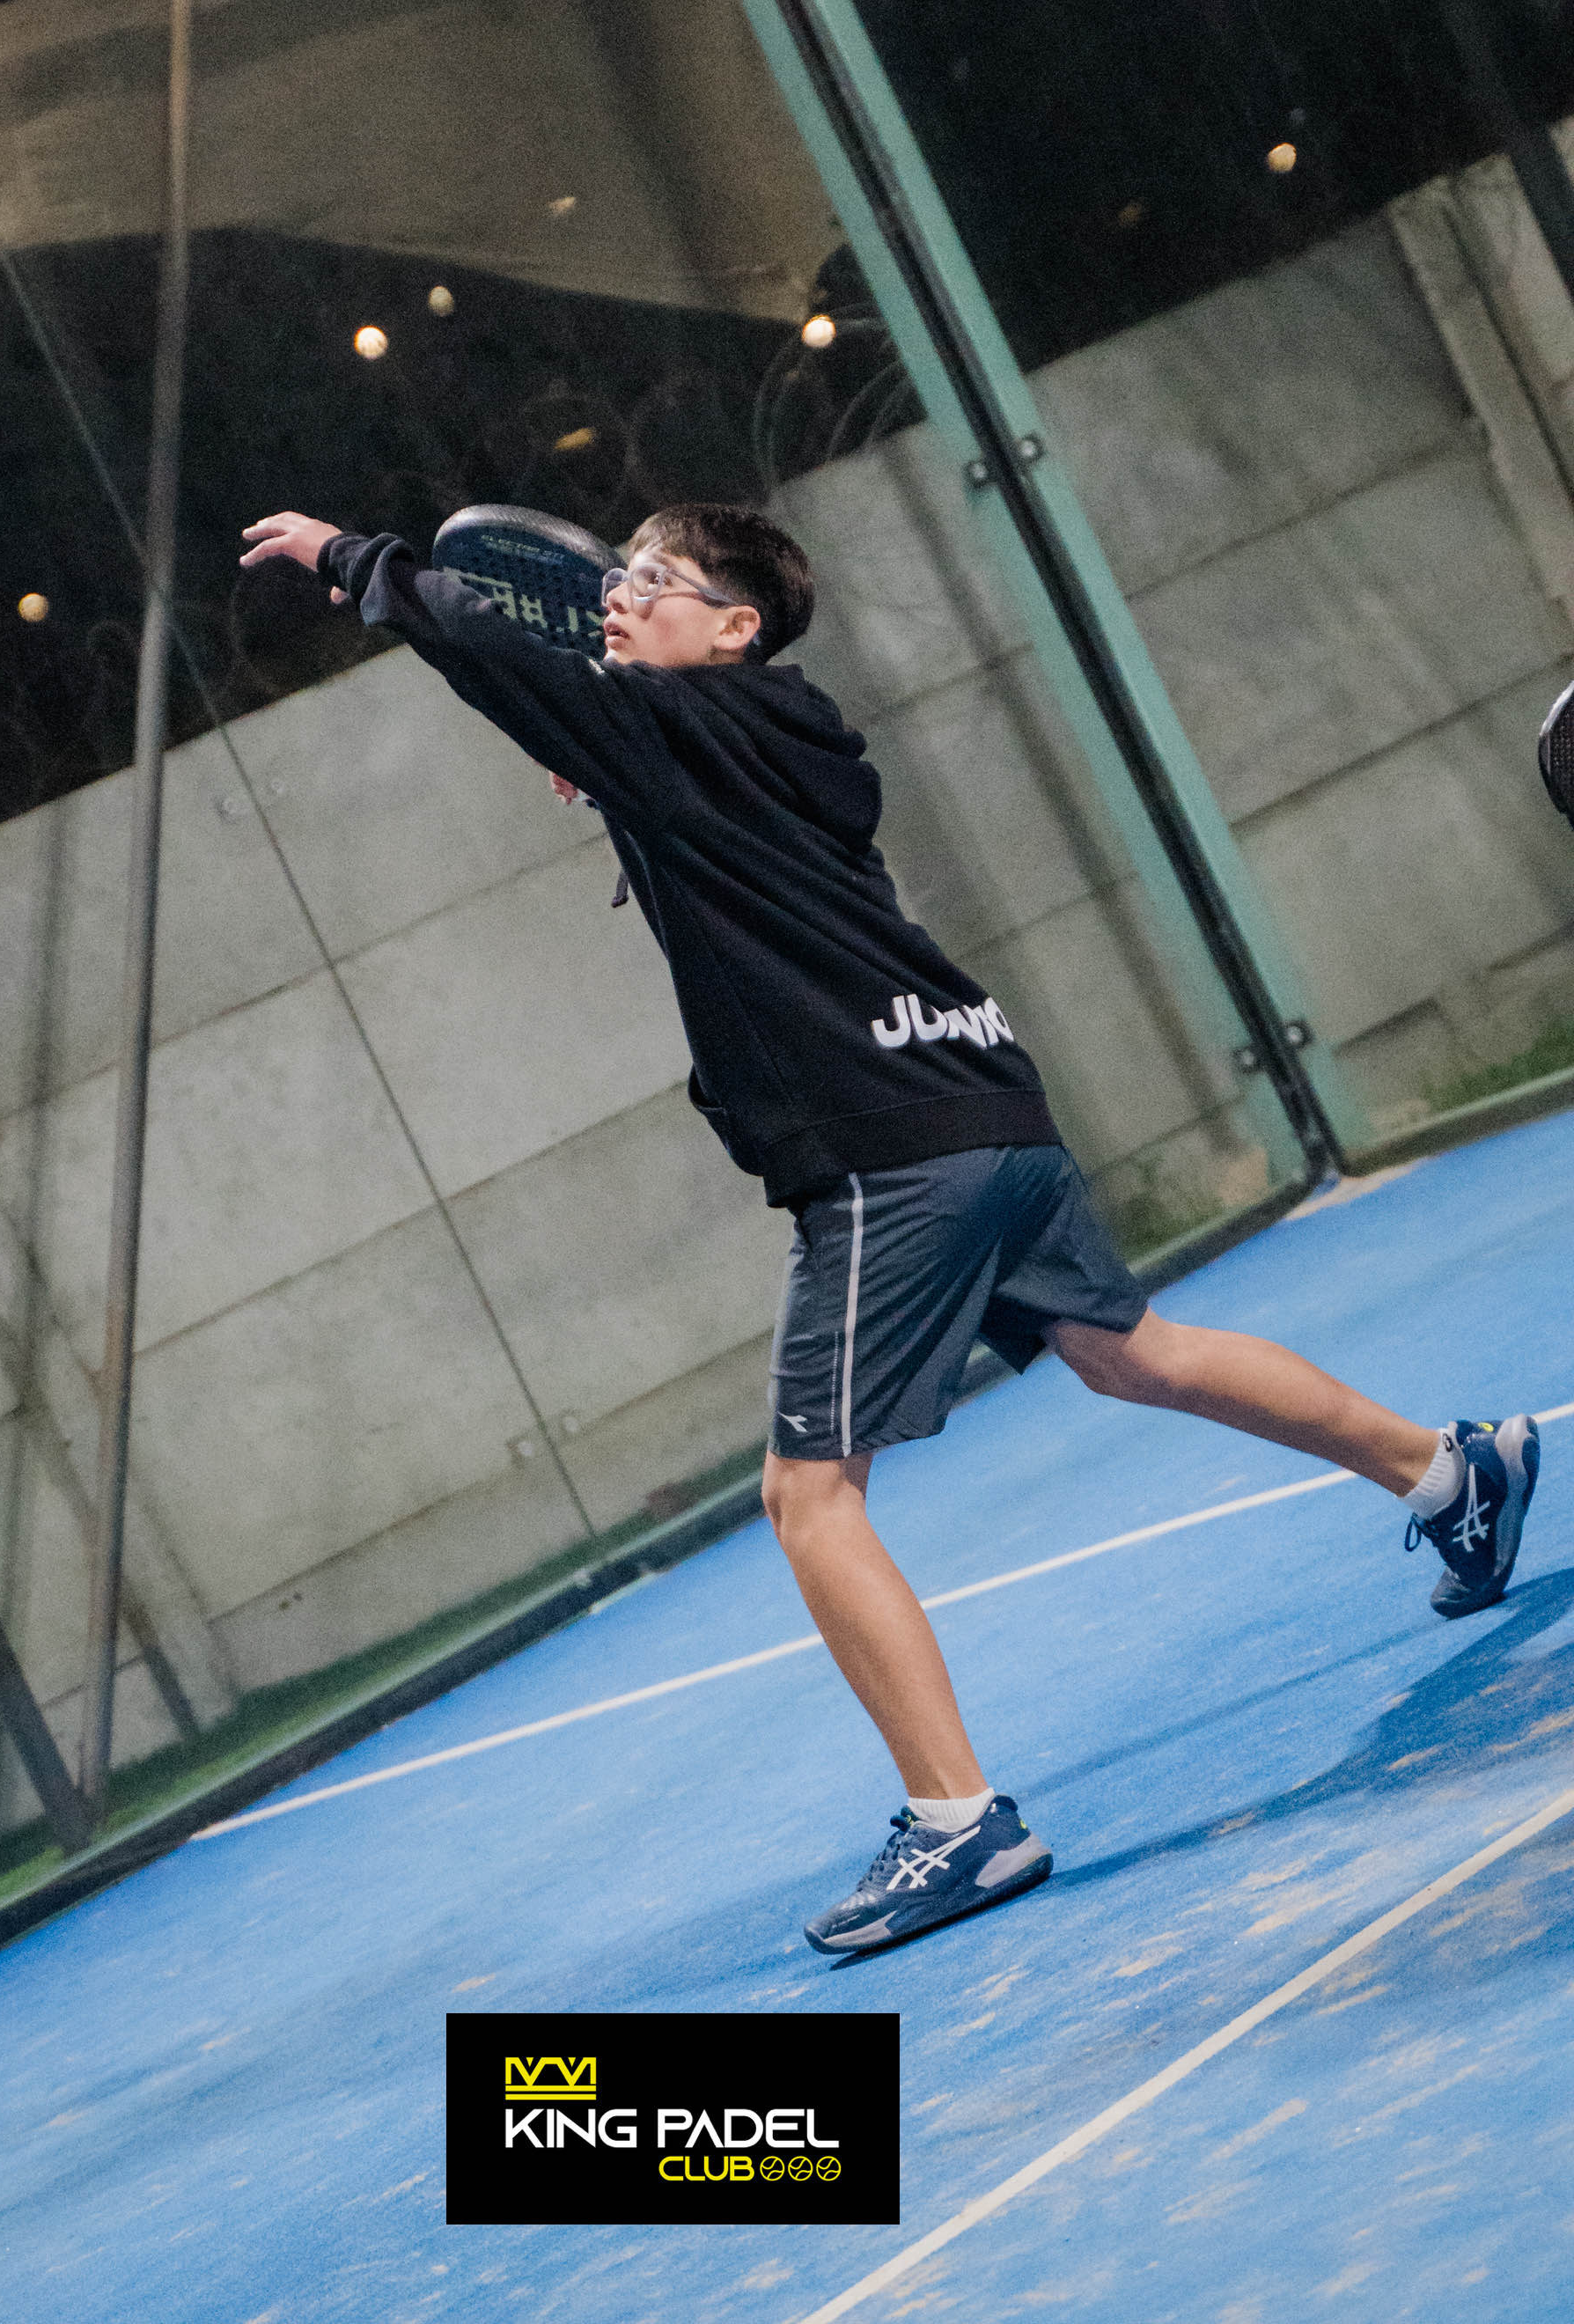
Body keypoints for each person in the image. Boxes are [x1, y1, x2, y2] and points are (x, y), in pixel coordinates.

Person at [240, 498, 1542, 1955]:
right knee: (1134, 1352)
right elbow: (678, 806)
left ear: (736, 628)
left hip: (887, 1153)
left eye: (655, 583)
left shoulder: (676, 728)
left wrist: (359, 563)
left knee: (809, 1496)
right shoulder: (771, 735)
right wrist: (611, 762)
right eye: (621, 580)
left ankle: (958, 1822)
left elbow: (491, 652)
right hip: (986, 1095)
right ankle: (1452, 1472)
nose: (620, 597)